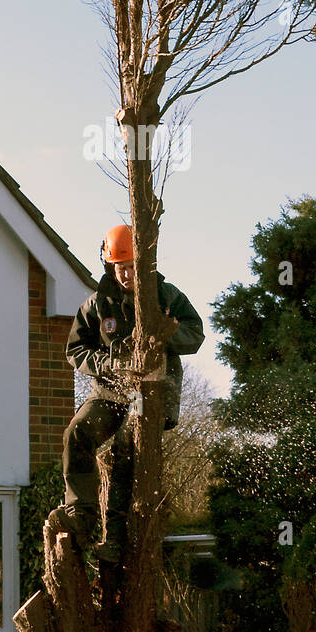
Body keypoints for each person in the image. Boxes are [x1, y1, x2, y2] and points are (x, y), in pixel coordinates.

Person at [53, 223, 204, 564]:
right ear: (110, 265)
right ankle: (80, 513)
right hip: (109, 390)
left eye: (133, 267)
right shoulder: (96, 305)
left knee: (125, 449)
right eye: (121, 267)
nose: (126, 274)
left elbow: (195, 335)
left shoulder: (167, 297)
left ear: (145, 264)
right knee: (77, 432)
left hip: (150, 394)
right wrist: (105, 364)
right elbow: (76, 350)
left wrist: (165, 334)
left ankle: (115, 539)